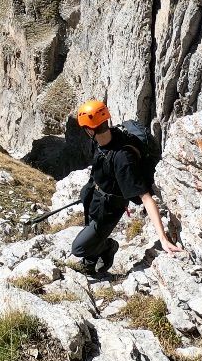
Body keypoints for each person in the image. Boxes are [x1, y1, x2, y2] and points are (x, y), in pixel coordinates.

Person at [71, 99, 182, 275]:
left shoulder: (123, 159)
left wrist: (163, 238)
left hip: (108, 208)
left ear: (89, 130)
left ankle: (108, 247)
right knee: (89, 232)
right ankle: (91, 260)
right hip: (94, 195)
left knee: (78, 248)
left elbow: (146, 198)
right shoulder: (105, 137)